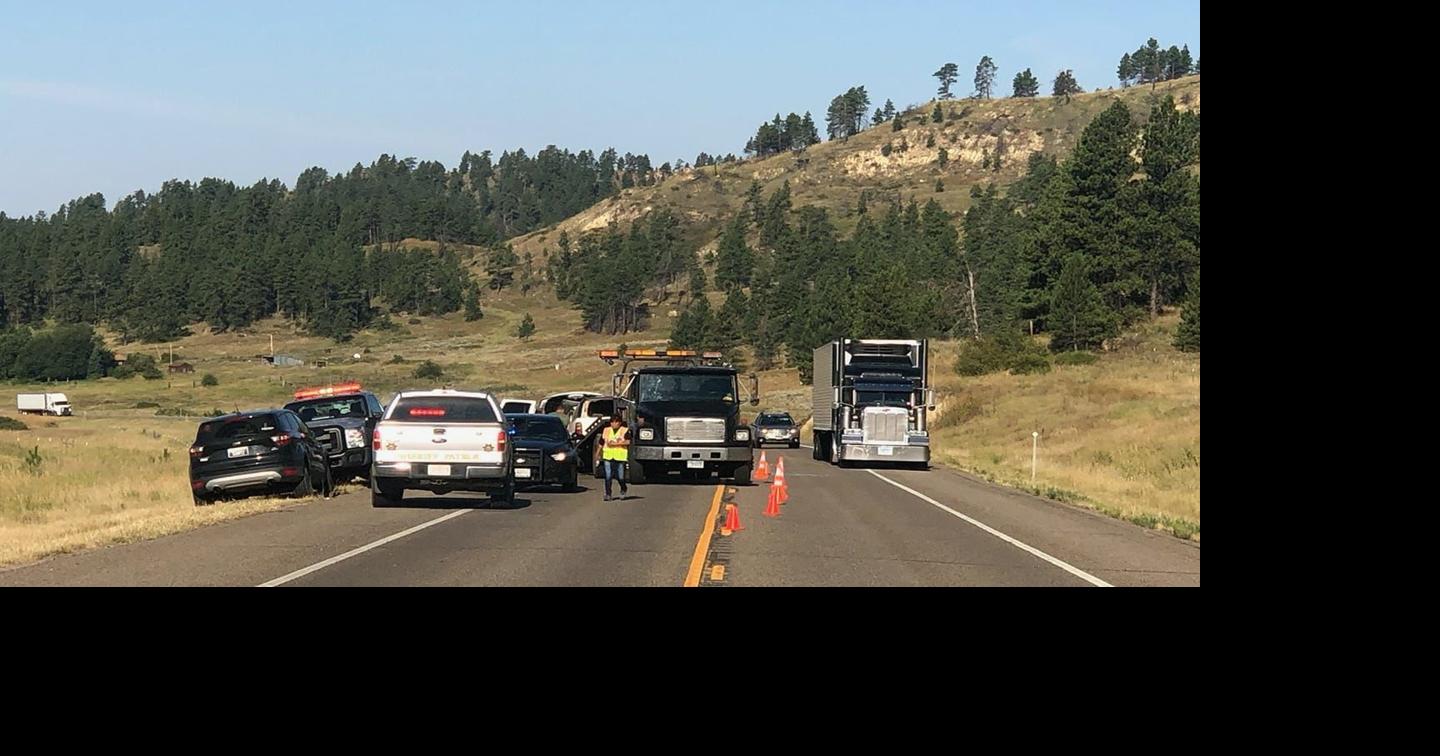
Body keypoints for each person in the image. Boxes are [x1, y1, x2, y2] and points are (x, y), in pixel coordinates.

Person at [599, 415, 630, 501]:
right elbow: (601, 442)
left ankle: (623, 488)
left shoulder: (624, 430)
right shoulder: (606, 430)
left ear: (620, 423)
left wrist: (615, 444)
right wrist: (597, 453)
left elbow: (628, 441)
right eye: (612, 422)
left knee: (620, 477)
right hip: (608, 455)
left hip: (620, 456)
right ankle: (608, 494)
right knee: (608, 476)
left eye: (616, 422)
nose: (614, 424)